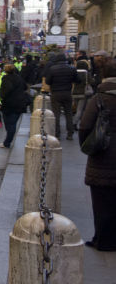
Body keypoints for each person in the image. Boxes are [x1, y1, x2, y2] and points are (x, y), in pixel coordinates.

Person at [78, 60, 116, 251]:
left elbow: (84, 126)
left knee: (102, 202)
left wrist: (87, 146)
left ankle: (103, 240)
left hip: (103, 155)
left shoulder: (99, 98)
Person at [46, 53, 80, 139]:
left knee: (56, 114)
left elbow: (47, 82)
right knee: (68, 114)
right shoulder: (72, 68)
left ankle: (57, 134)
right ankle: (70, 134)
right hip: (67, 93)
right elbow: (78, 80)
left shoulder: (52, 69)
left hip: (56, 94)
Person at [0, 64, 28, 149]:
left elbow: (6, 90)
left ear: (5, 70)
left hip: (9, 104)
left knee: (9, 124)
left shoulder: (6, 78)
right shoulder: (19, 77)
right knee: (12, 123)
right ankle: (9, 138)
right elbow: (25, 87)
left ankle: (7, 142)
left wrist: (1, 96)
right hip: (19, 103)